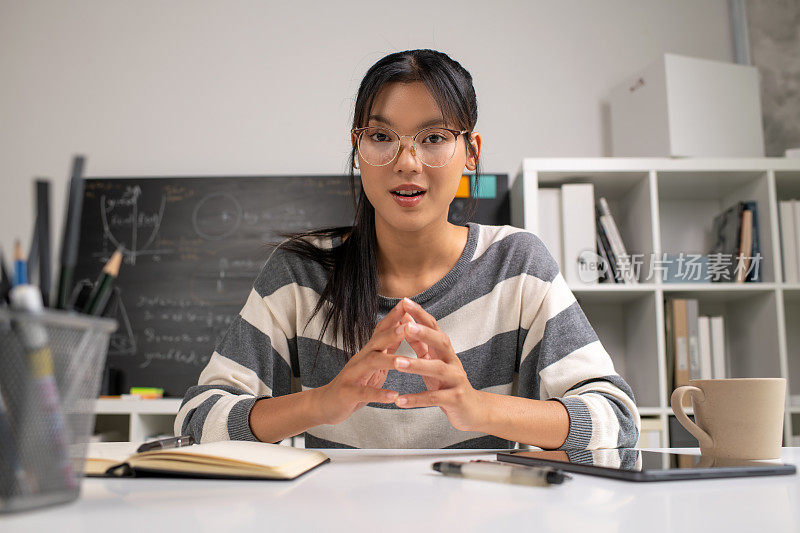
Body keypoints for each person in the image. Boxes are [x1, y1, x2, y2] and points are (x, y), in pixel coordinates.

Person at [175, 49, 640, 450]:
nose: (406, 163)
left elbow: (616, 420)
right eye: (382, 137)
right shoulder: (301, 274)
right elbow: (197, 420)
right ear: (358, 148)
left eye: (434, 138)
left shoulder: (516, 265)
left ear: (471, 153)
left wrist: (477, 408)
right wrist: (322, 402)